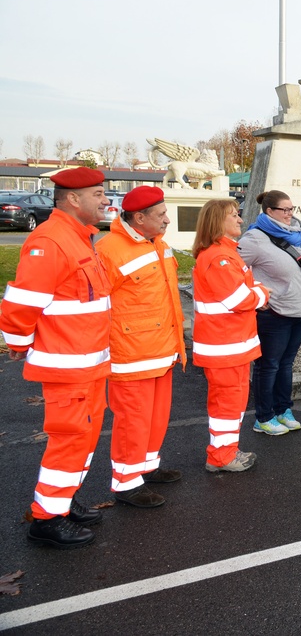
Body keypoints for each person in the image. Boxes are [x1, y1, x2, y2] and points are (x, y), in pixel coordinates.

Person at [0, 168, 111, 549]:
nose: (105, 200)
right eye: (98, 194)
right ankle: (46, 518)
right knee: (69, 439)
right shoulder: (50, 240)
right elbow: (21, 305)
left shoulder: (80, 237)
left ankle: (62, 501)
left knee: (84, 438)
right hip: (68, 366)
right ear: (73, 199)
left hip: (89, 364)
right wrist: (17, 342)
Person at [95, 186, 186, 509]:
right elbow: (97, 304)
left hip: (161, 349)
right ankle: (126, 482)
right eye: (160, 215)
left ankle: (146, 466)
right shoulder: (109, 250)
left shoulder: (158, 245)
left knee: (156, 417)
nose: (166, 220)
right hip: (130, 354)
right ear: (139, 218)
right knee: (133, 420)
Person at [192, 199, 269, 472]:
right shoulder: (219, 257)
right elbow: (241, 297)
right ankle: (221, 457)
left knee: (232, 404)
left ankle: (225, 452)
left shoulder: (226, 254)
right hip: (225, 347)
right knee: (227, 405)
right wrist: (261, 295)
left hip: (231, 345)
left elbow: (250, 287)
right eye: (233, 215)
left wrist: (256, 293)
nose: (239, 219)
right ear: (217, 221)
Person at [239, 190, 301, 436]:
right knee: (268, 365)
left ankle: (283, 409)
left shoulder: (296, 234)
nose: (290, 214)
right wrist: (253, 295)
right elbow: (231, 271)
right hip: (275, 314)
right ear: (269, 211)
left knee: (286, 363)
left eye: (292, 209)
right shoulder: (254, 238)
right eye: (285, 210)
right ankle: (263, 417)